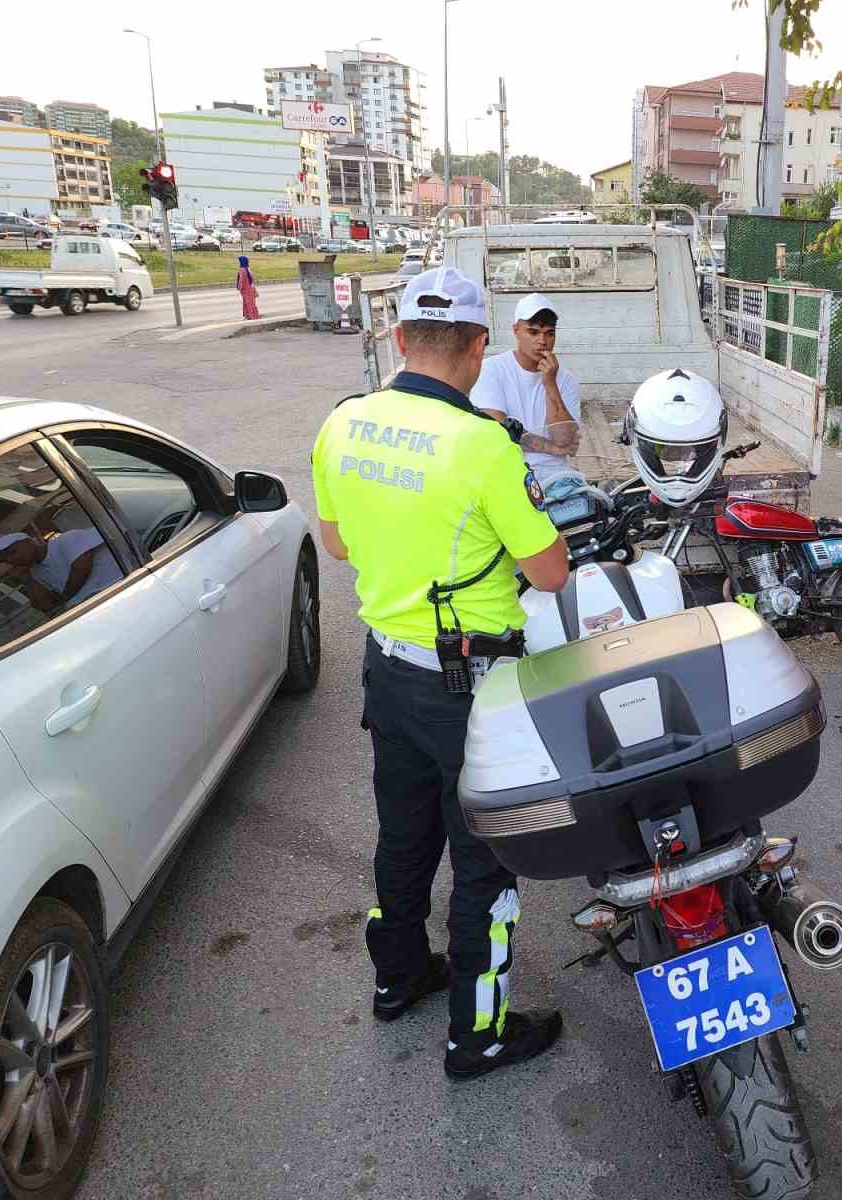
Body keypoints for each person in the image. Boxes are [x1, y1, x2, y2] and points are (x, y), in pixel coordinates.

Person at [310, 267, 572, 1082]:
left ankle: (397, 979)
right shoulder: (483, 446)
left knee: (403, 834)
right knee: (485, 858)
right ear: (479, 345)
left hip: (387, 672)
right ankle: (477, 1035)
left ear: (398, 338)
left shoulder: (343, 423)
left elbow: (338, 544)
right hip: (471, 687)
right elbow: (551, 570)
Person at [472, 292, 582, 482]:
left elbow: (564, 439)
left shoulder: (565, 379)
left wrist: (550, 384)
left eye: (549, 333)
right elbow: (497, 430)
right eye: (533, 332)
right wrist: (551, 447)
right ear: (516, 330)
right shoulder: (491, 370)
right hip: (507, 471)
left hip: (556, 476)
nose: (542, 341)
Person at [0, 527, 121, 612]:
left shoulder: (65, 540)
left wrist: (64, 598)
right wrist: (26, 579)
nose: (10, 560)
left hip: (116, 591)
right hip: (90, 610)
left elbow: (81, 567)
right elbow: (47, 606)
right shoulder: (35, 573)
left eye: (12, 552)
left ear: (29, 542)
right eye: (5, 560)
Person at [237, 255, 260, 321]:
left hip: (245, 289)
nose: (238, 263)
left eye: (239, 261)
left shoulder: (242, 270)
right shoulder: (248, 269)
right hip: (250, 288)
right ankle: (254, 315)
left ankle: (250, 316)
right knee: (251, 302)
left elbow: (241, 280)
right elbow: (252, 279)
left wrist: (239, 288)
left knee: (247, 303)